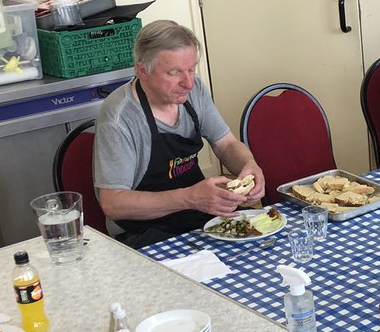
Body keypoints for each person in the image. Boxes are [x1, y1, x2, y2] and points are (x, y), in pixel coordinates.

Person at [94, 19, 265, 248]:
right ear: (143, 70)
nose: (189, 83)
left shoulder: (194, 91)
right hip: (143, 233)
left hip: (198, 218)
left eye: (191, 69)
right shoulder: (119, 118)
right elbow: (113, 204)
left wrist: (249, 165)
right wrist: (190, 198)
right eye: (175, 72)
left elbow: (225, 144)